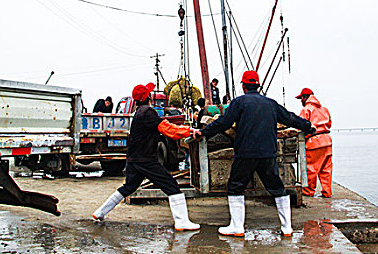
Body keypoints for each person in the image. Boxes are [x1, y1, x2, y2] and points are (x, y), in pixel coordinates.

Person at [196, 71, 314, 237]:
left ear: (243, 86)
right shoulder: (271, 104)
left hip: (246, 153)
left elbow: (223, 123)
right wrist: (308, 126)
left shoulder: (239, 103)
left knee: (236, 186)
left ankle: (237, 227)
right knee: (277, 188)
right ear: (258, 86)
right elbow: (289, 118)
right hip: (268, 153)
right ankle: (287, 228)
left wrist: (203, 132)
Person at [92, 82, 200, 231]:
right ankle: (182, 222)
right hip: (146, 160)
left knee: (129, 187)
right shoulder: (148, 112)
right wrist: (189, 131)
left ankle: (99, 212)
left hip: (133, 159)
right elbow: (167, 129)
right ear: (148, 97)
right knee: (171, 185)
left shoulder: (139, 113)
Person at [296, 88, 333, 198]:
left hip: (314, 141)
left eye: (300, 99)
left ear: (304, 98)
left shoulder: (307, 109)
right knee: (326, 169)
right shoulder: (324, 109)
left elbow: (300, 126)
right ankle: (327, 192)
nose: (301, 101)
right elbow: (329, 124)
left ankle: (308, 191)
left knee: (311, 168)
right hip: (327, 140)